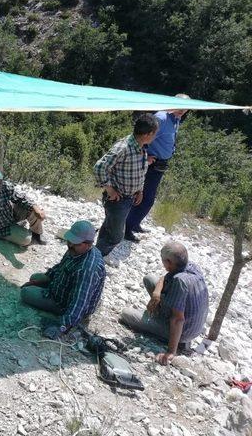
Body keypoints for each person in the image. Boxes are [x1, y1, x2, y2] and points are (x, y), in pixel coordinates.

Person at [119, 241, 209, 365]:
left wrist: (171, 352)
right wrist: (156, 293)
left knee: (126, 314)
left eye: (163, 261)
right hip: (192, 324)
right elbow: (165, 277)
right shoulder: (190, 266)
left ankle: (171, 338)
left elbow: (178, 319)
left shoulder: (179, 281)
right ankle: (158, 316)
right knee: (149, 279)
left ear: (169, 263)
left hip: (183, 331)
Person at [21, 220, 106, 339]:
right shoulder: (76, 248)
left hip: (65, 303)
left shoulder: (87, 270)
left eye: (74, 243)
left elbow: (79, 303)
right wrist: (43, 280)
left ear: (88, 244)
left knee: (26, 293)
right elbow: (61, 267)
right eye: (70, 240)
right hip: (64, 288)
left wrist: (62, 326)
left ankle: (60, 312)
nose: (70, 244)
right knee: (35, 277)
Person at [124, 95, 191, 242]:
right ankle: (126, 229)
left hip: (159, 164)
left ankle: (134, 224)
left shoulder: (175, 118)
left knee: (147, 197)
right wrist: (144, 157)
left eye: (185, 107)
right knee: (144, 198)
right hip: (150, 164)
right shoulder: (161, 118)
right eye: (180, 105)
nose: (182, 109)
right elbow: (141, 138)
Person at [93, 114, 159, 256]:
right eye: (154, 134)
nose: (155, 137)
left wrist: (139, 190)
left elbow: (139, 170)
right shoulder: (124, 147)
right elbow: (99, 167)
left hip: (129, 198)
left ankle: (94, 255)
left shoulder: (141, 147)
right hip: (117, 199)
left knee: (109, 227)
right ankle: (94, 259)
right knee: (116, 236)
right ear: (148, 134)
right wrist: (110, 189)